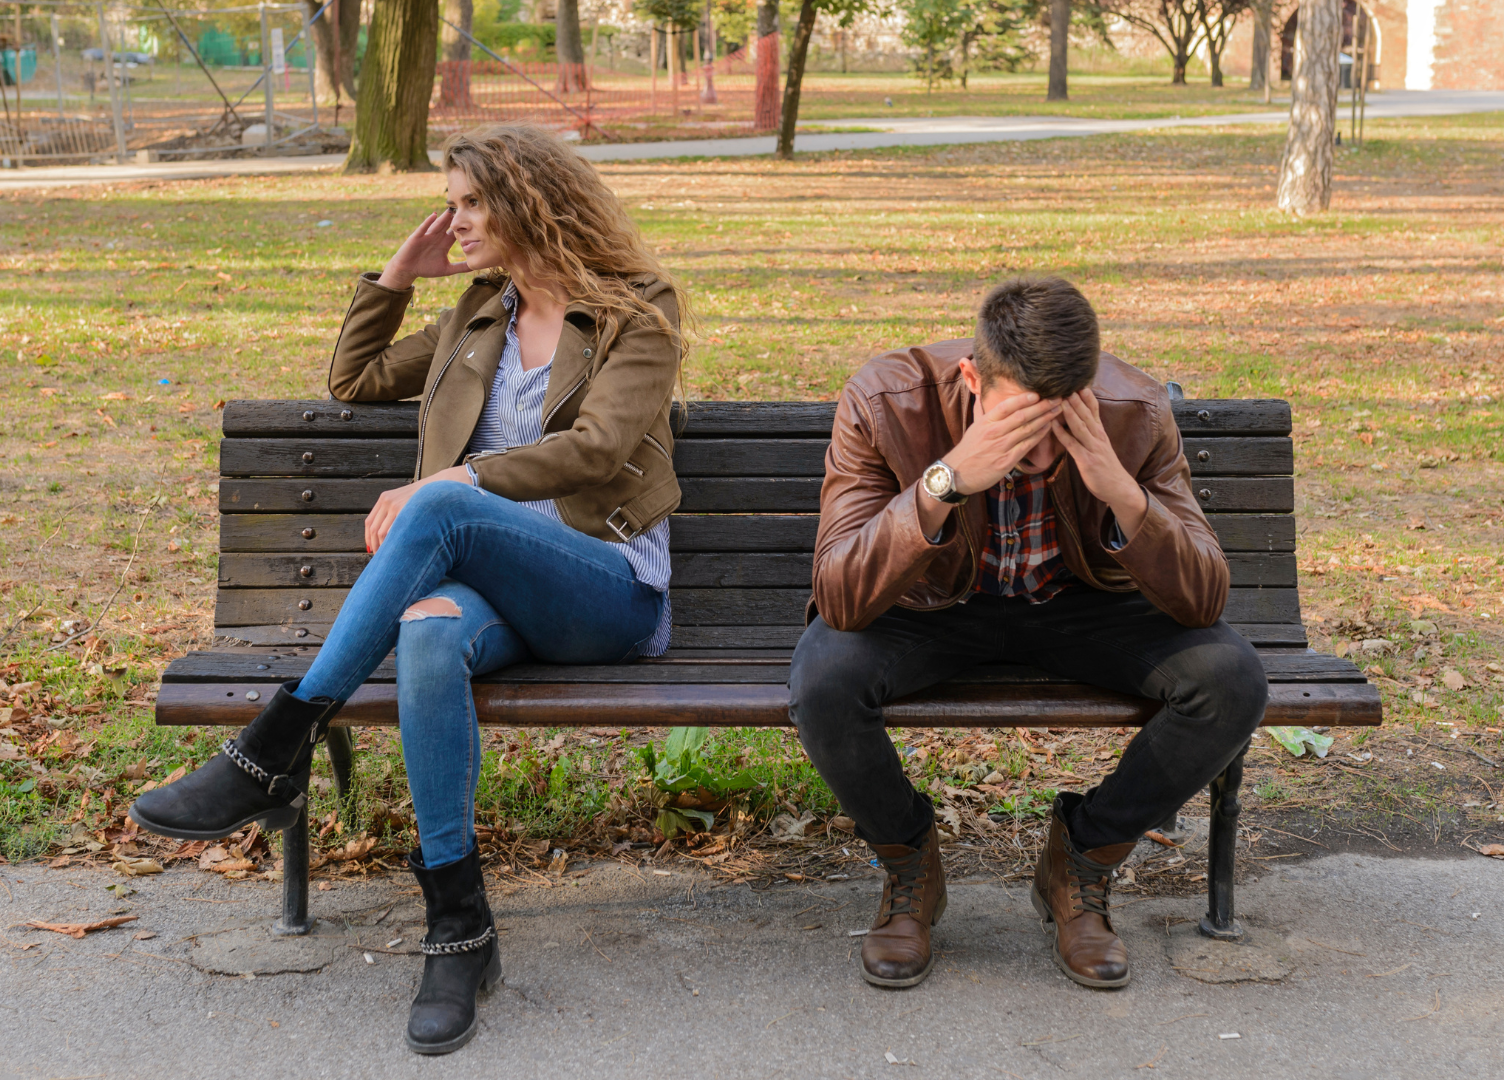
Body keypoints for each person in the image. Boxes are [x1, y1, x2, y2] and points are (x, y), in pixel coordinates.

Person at [129, 123, 688, 1052]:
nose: (452, 220)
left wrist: (453, 482)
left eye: (470, 203)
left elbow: (598, 450)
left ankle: (276, 743)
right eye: (452, 204)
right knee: (428, 633)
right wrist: (396, 274)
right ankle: (459, 929)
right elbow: (352, 379)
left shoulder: (637, 307)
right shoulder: (477, 316)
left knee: (441, 508)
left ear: (527, 203)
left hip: (606, 588)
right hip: (489, 588)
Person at [789, 276, 1267, 990]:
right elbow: (840, 597)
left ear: (1087, 393)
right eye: (1016, 425)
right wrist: (943, 484)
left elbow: (1202, 599)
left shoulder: (1132, 409)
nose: (1035, 454)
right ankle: (909, 863)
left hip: (1081, 607)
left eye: (1056, 428)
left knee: (1231, 680)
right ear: (972, 378)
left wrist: (1118, 488)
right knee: (823, 679)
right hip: (933, 609)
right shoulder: (887, 398)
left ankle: (1082, 859)